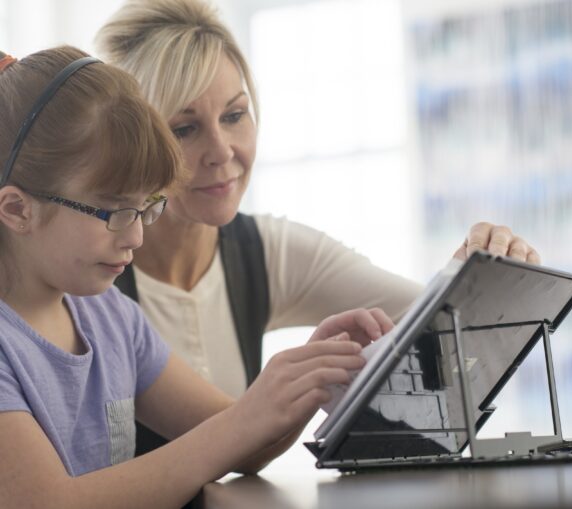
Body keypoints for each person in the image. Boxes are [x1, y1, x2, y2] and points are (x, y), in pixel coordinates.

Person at [0, 46, 394, 508]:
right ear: (17, 209)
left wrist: (303, 381)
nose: (135, 237)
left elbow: (243, 444)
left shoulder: (111, 318)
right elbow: (50, 503)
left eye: (147, 207)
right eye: (115, 211)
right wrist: (249, 415)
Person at [94, 0, 541, 404]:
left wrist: (482, 272)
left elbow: (446, 329)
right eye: (183, 129)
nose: (223, 151)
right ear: (136, 143)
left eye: (234, 116)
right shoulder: (90, 275)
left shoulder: (266, 252)